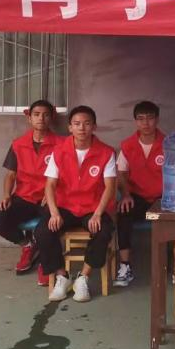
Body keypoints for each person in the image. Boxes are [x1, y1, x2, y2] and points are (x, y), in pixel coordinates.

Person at [38, 106, 117, 303]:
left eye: (87, 123)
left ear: (94, 126)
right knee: (43, 231)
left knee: (103, 231)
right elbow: (50, 184)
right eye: (77, 124)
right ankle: (62, 276)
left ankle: (83, 278)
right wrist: (54, 213)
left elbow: (110, 187)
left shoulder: (106, 152)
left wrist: (98, 213)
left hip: (92, 208)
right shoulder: (59, 151)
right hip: (65, 206)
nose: (82, 128)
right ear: (70, 127)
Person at [0, 99, 61, 287]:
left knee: (46, 227)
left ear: (51, 117)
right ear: (29, 118)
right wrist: (6, 195)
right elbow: (10, 175)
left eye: (45, 115)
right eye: (36, 115)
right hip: (24, 197)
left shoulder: (62, 144)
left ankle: (46, 263)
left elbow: (68, 174)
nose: (41, 118)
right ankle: (28, 245)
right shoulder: (18, 144)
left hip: (50, 199)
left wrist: (53, 193)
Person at [113, 101, 165, 287]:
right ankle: (125, 266)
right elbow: (121, 174)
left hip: (163, 198)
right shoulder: (128, 145)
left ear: (157, 119)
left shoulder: (169, 144)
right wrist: (126, 195)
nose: (146, 123)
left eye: (150, 118)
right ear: (136, 121)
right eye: (141, 119)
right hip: (138, 197)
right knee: (123, 212)